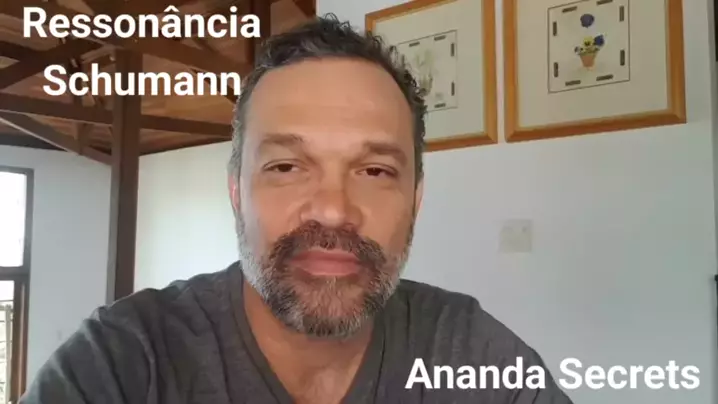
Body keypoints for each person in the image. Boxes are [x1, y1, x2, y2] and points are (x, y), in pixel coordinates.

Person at [20, 15, 574, 404]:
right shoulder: (123, 363)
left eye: (374, 171)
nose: (333, 211)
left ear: (416, 200)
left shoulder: (472, 356)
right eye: (286, 166)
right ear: (236, 191)